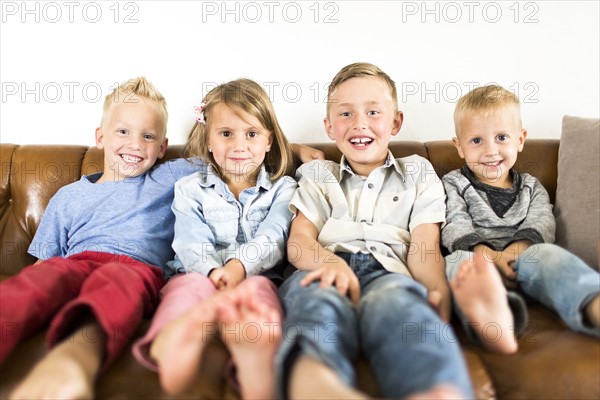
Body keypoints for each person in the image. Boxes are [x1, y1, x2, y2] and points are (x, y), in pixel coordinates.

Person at [1, 77, 321, 400]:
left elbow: (237, 154)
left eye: (148, 136)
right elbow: (44, 266)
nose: (136, 145)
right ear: (100, 136)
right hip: (75, 263)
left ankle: (76, 359)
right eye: (123, 132)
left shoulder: (171, 176)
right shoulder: (67, 198)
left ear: (162, 147)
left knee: (116, 280)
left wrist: (293, 149)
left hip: (135, 269)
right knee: (40, 281)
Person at [274, 62, 473, 399]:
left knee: (405, 311)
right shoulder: (318, 174)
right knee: (316, 308)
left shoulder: (418, 171)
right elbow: (299, 242)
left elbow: (424, 244)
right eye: (346, 114)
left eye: (373, 112)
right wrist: (330, 265)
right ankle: (318, 385)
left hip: (390, 272)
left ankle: (436, 389)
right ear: (329, 127)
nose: (359, 123)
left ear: (396, 122)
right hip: (325, 268)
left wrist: (436, 288)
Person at [132, 78, 297, 400]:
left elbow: (274, 236)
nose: (239, 146)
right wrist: (211, 272)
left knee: (259, 293)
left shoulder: (284, 188)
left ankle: (254, 349)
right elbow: (190, 239)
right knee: (187, 289)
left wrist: (237, 267)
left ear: (269, 142)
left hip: (256, 274)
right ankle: (175, 337)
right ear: (208, 139)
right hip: (196, 272)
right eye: (225, 134)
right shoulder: (190, 188)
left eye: (251, 134)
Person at [442, 84, 600, 355]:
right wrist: (487, 256)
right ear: (459, 146)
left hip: (525, 258)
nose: (491, 151)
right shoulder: (453, 183)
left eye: (501, 137)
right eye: (477, 141)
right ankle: (493, 319)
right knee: (455, 262)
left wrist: (515, 252)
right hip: (478, 262)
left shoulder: (531, 186)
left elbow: (542, 222)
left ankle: (593, 303)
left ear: (521, 139)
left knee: (550, 255)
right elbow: (453, 223)